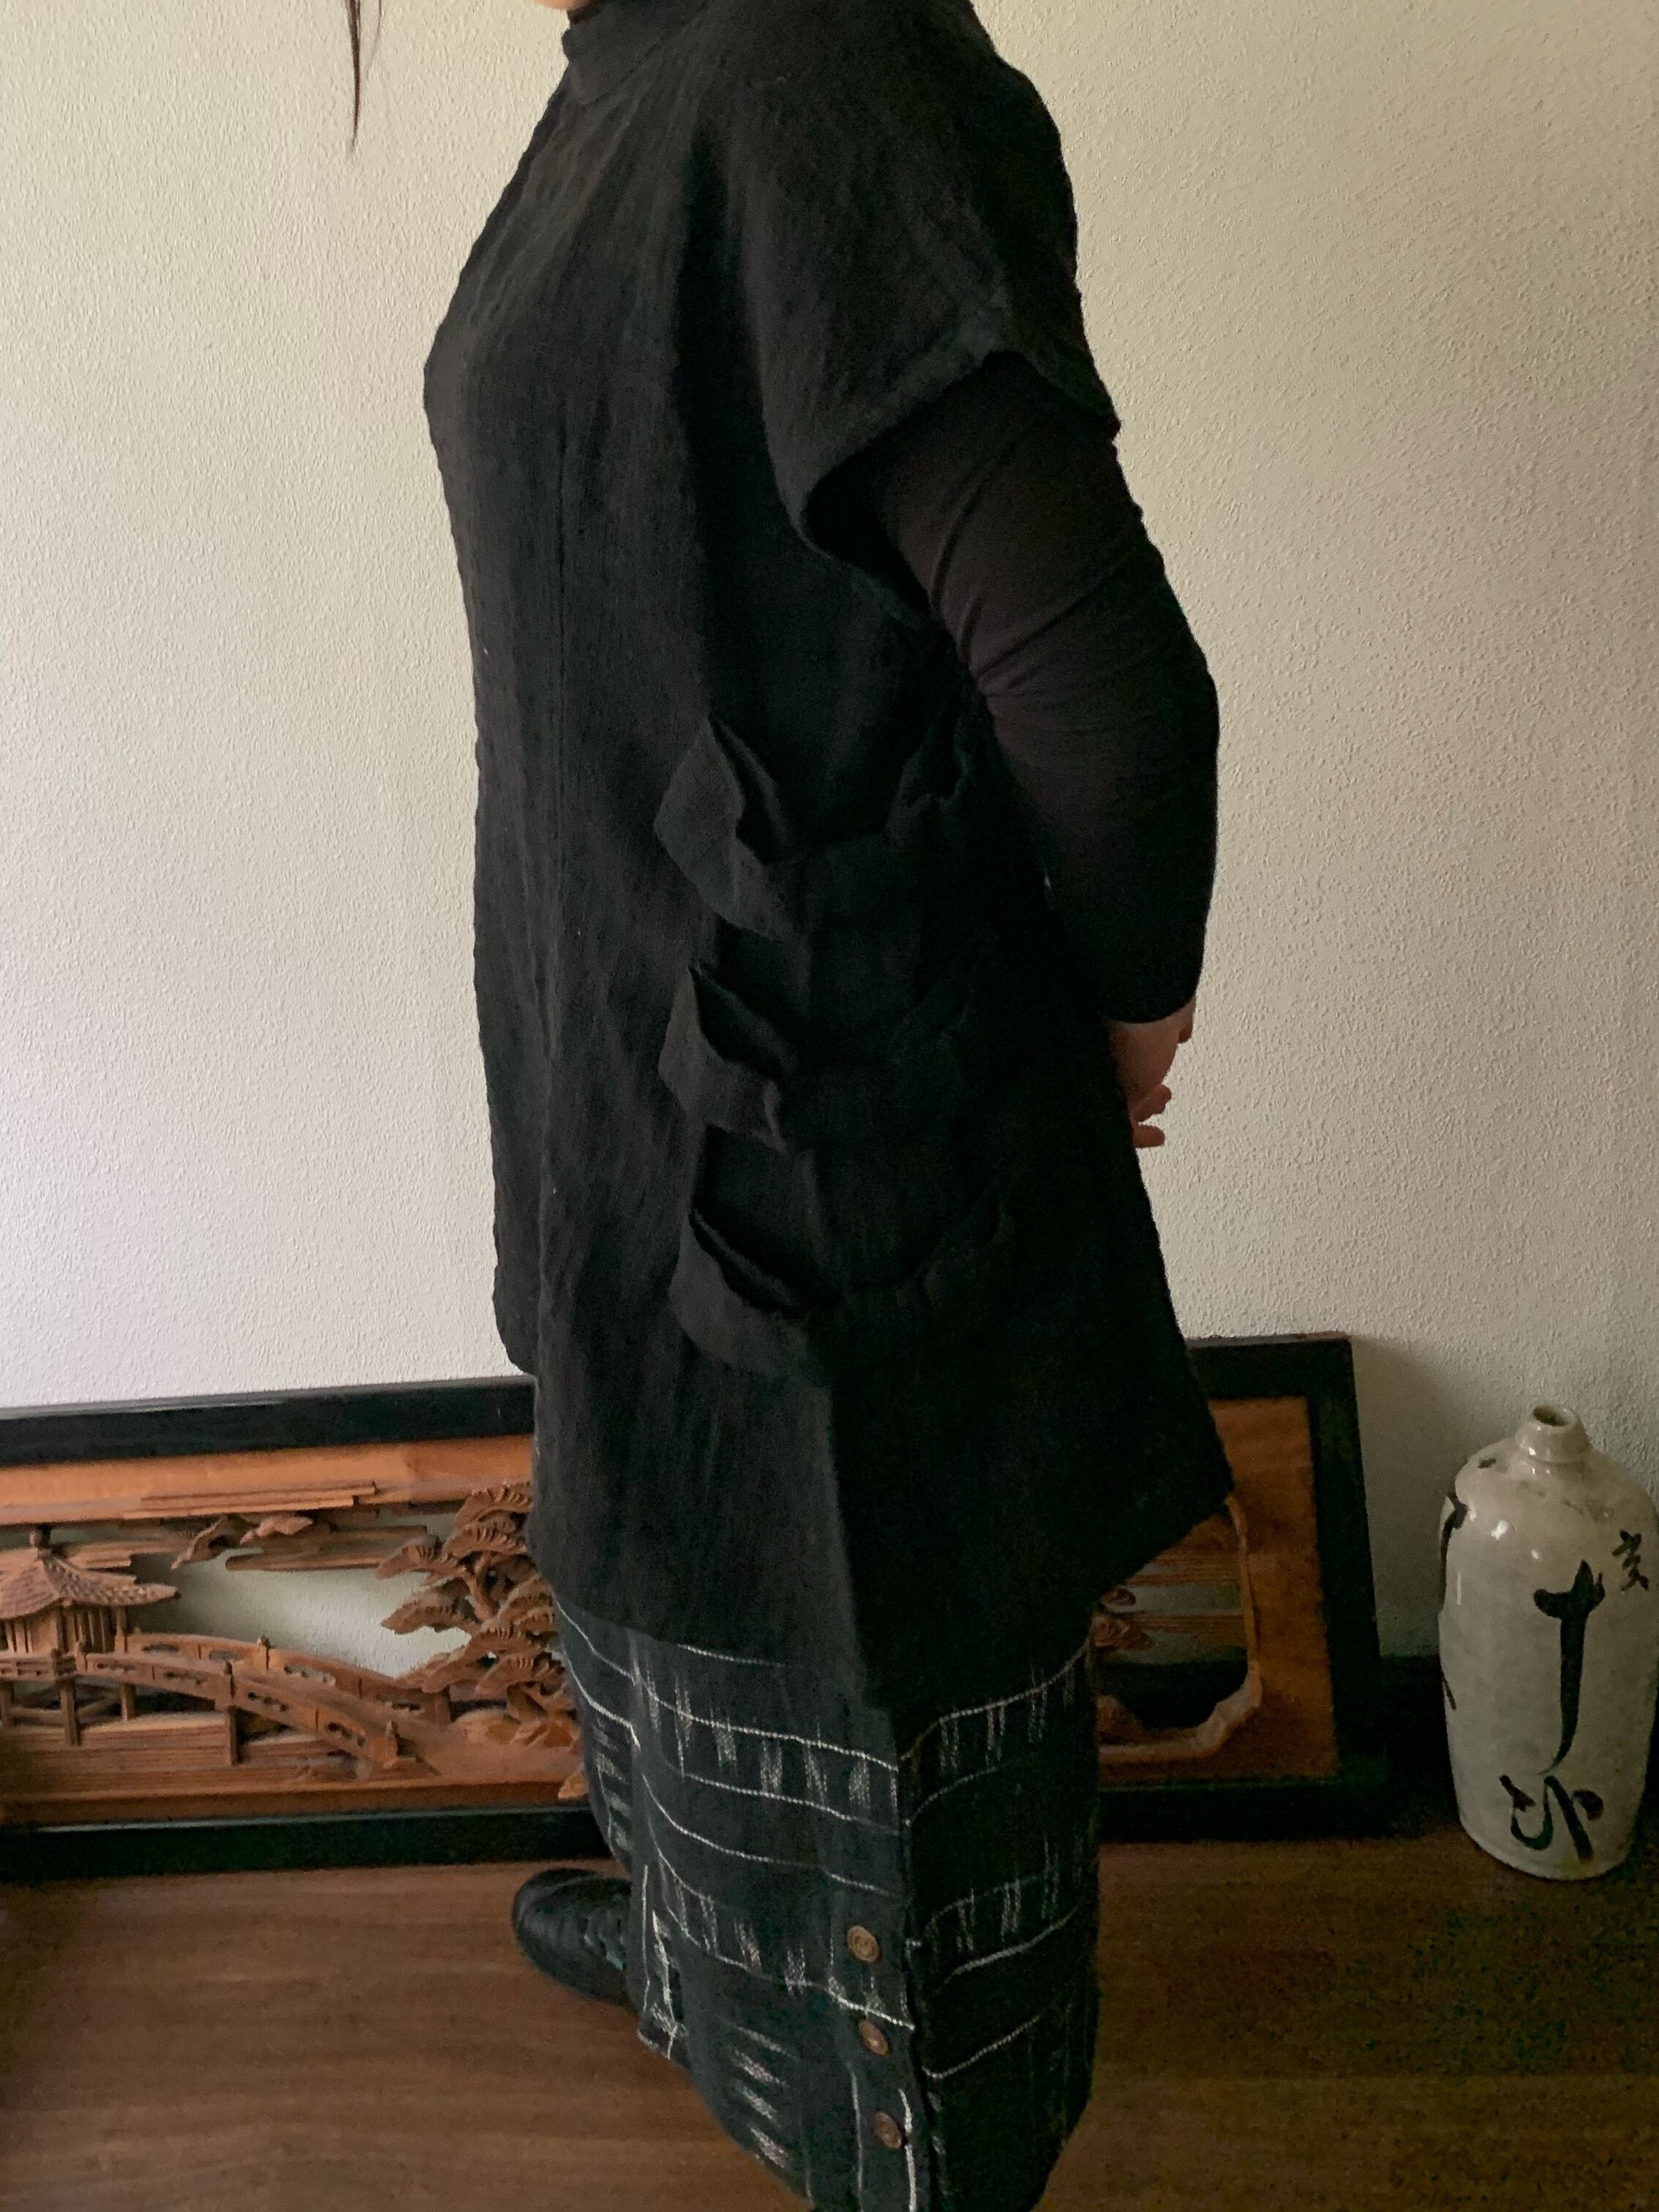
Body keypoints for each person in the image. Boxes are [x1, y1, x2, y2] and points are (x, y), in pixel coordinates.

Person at [413, 0, 1237, 2202]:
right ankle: (711, 1957)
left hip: (820, 1134)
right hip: (630, 1063)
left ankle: (885, 2098)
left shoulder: (814, 70)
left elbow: (1106, 694)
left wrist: (1124, 1021)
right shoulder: (634, 74)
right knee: (677, 1604)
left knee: (878, 1791)